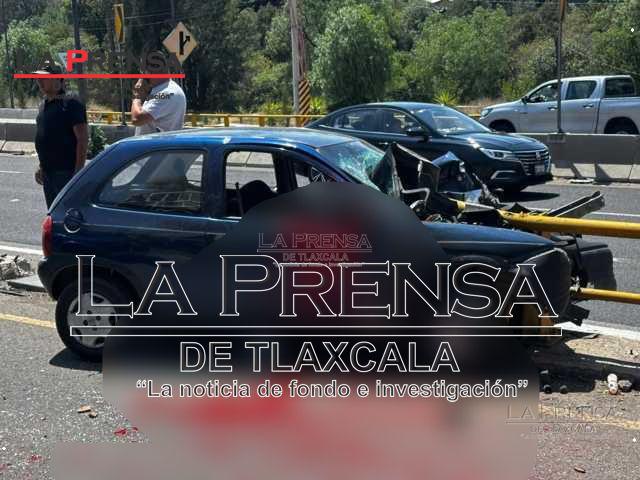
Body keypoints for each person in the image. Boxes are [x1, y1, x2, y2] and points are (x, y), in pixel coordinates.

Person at [33, 61, 88, 209]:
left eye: (44, 78)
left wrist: (78, 173)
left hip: (66, 173)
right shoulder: (44, 105)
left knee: (67, 213)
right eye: (38, 78)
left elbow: (82, 139)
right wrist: (41, 166)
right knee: (53, 214)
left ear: (58, 78)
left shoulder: (71, 103)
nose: (39, 81)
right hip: (48, 173)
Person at [130, 58, 186, 135]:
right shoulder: (170, 89)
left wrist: (137, 96)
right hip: (162, 141)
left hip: (155, 142)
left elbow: (137, 119)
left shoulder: (166, 93)